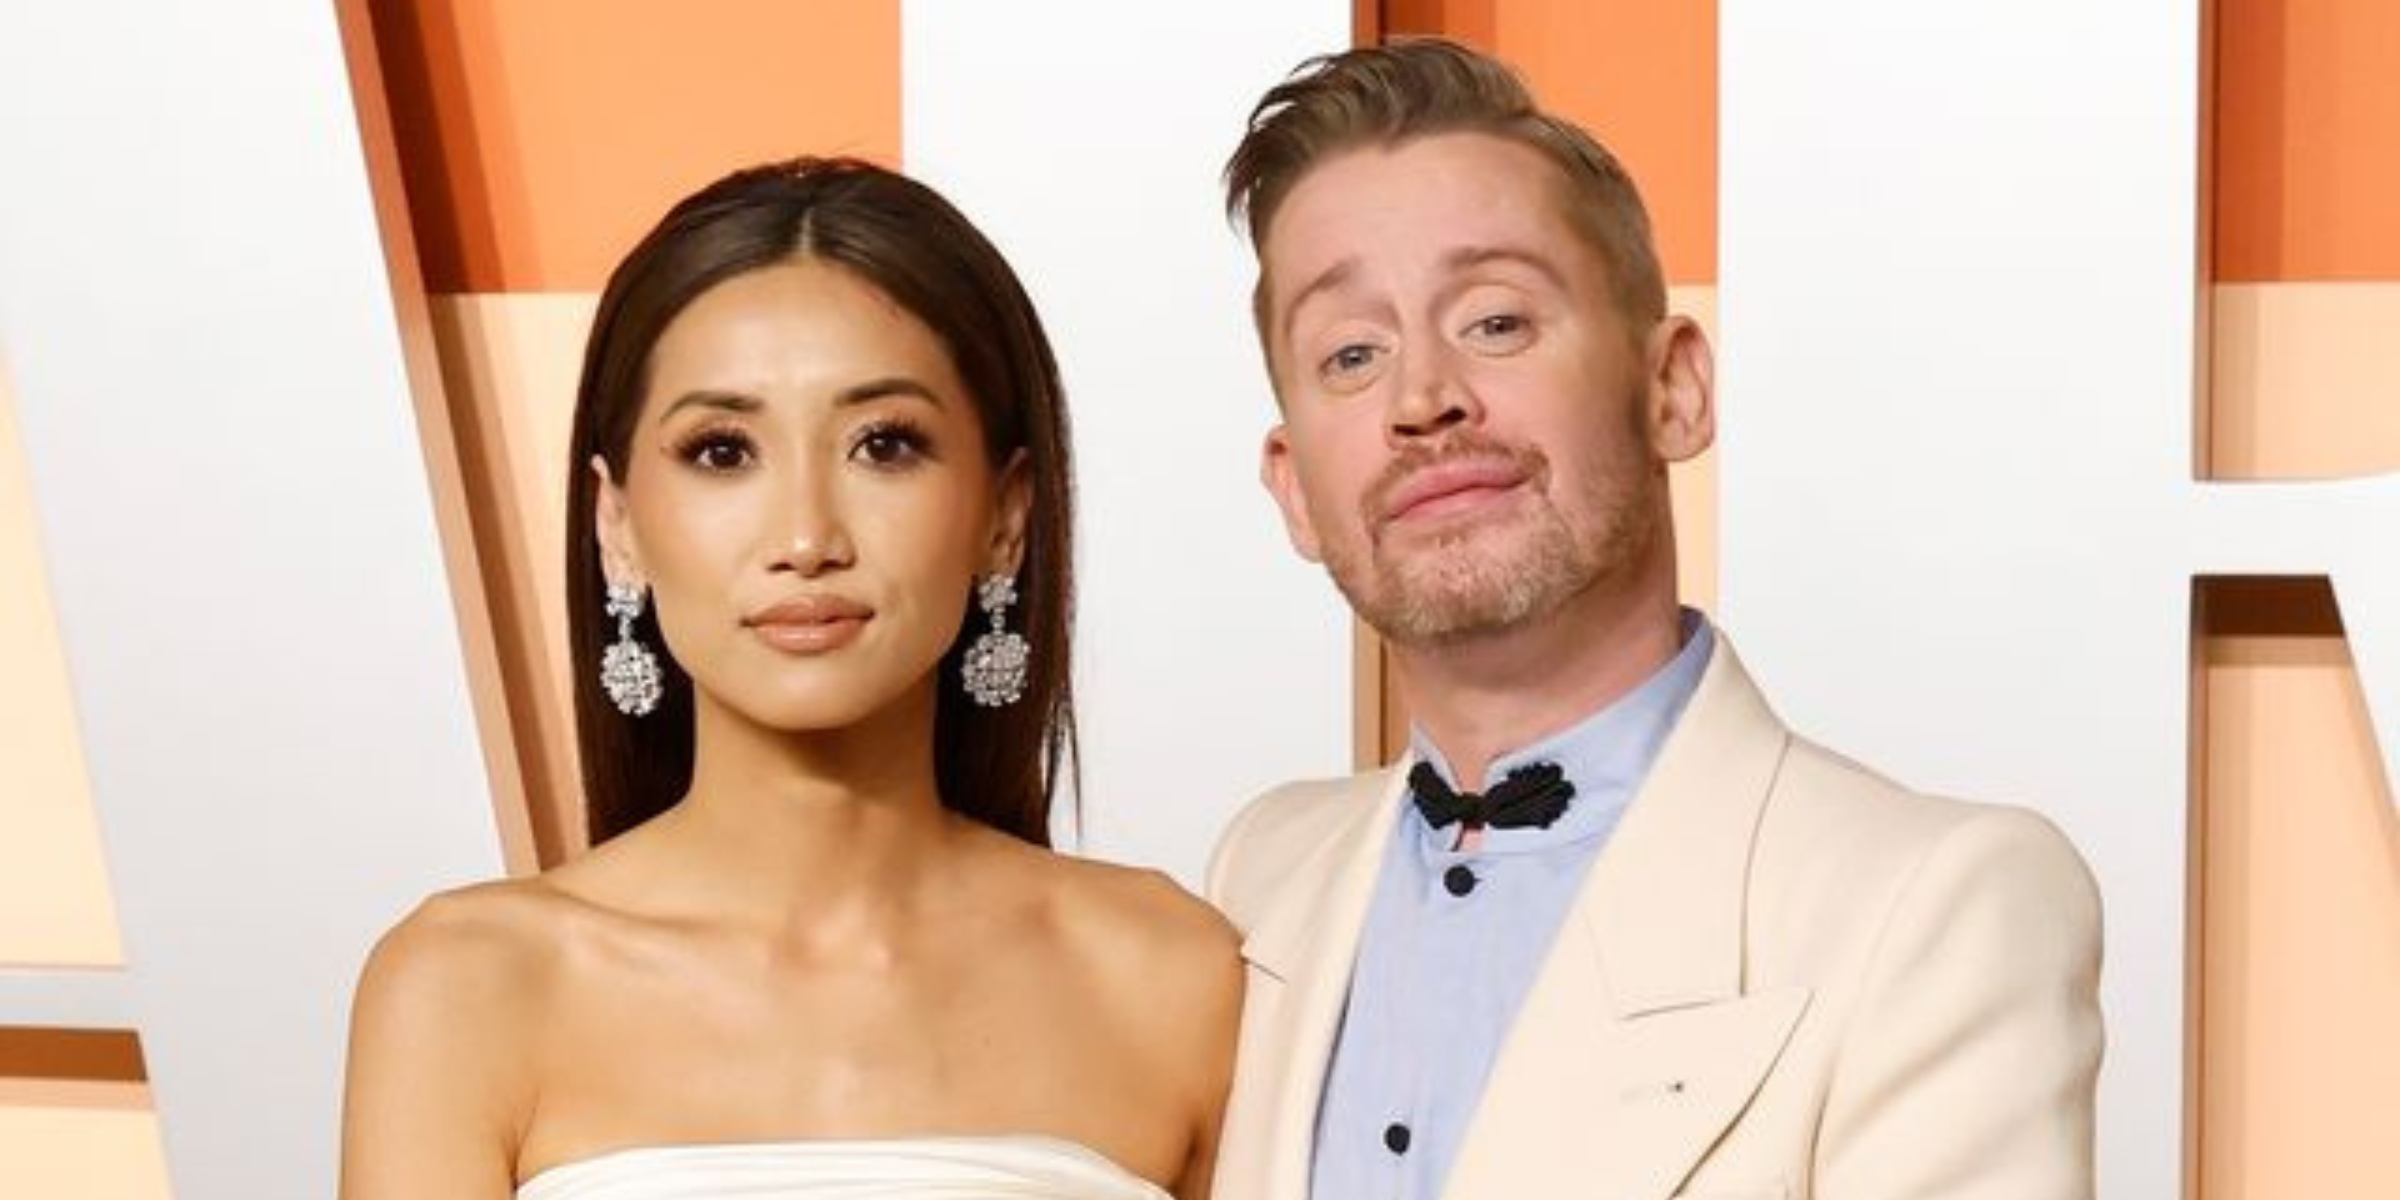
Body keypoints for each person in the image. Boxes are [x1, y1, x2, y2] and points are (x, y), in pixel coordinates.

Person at [1204, 39, 2103, 1200]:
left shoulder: (1936, 902)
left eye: (1495, 323)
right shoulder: (1256, 879)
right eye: (1352, 354)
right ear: (1294, 490)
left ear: (1673, 386)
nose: (1424, 400)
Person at [340, 158, 1240, 1200]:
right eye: (722, 452)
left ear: (1006, 516)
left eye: (884, 445)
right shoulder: (468, 987)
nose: (806, 537)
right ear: (616, 525)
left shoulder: (1171, 978)